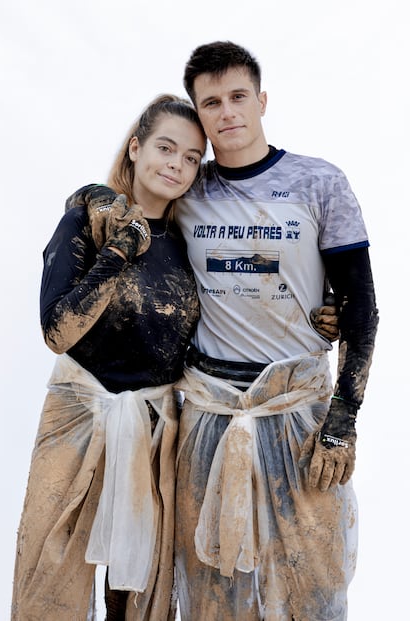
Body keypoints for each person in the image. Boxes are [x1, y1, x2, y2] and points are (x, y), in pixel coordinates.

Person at [170, 41, 379, 621]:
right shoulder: (188, 188)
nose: (227, 111)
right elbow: (132, 198)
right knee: (214, 587)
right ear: (198, 114)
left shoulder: (319, 183)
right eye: (210, 103)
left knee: (312, 580)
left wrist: (343, 421)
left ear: (261, 101)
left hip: (299, 414)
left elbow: (362, 308)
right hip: (210, 414)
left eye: (238, 96)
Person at [11, 94, 207, 621]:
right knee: (50, 575)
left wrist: (316, 312)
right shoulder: (88, 218)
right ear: (136, 147)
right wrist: (119, 251)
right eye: (166, 148)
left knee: (139, 586)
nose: (177, 165)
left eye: (192, 157)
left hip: (155, 426)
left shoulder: (192, 241)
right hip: (78, 417)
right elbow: (56, 331)